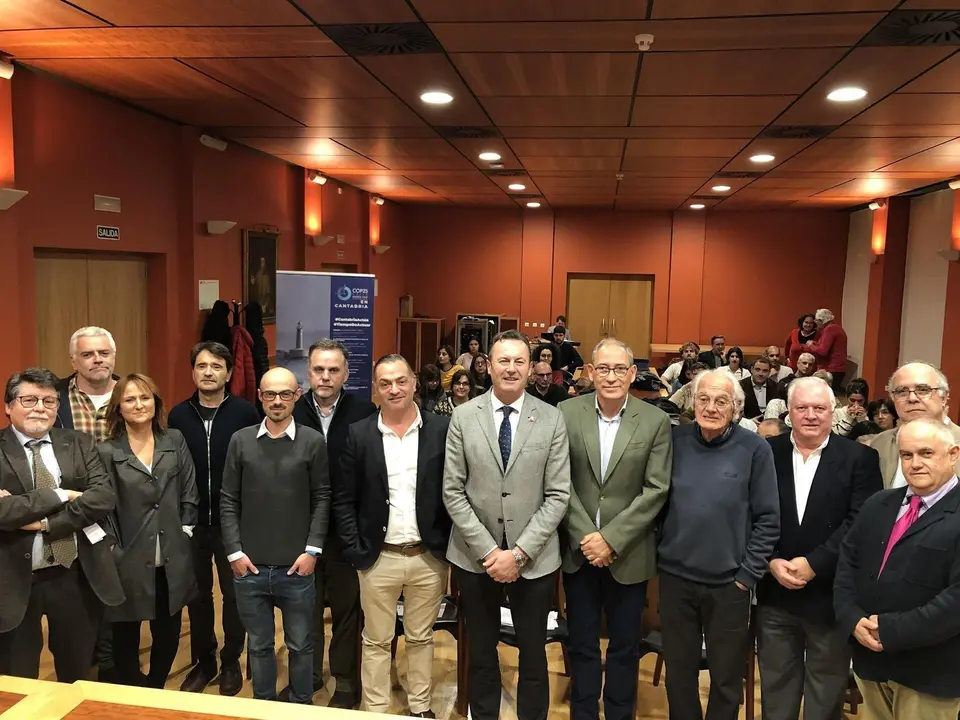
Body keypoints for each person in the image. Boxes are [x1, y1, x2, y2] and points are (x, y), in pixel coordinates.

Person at [443, 329, 571, 720]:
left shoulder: (551, 418)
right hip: (474, 557)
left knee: (533, 654)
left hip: (532, 559)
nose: (511, 368)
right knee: (481, 652)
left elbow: (558, 495)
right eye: (503, 360)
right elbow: (453, 491)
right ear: (489, 365)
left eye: (519, 361)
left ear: (531, 368)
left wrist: (517, 553)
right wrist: (489, 550)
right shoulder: (463, 416)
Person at [756, 377, 882, 720]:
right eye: (802, 408)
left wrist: (815, 563)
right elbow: (749, 514)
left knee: (825, 697)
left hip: (831, 596)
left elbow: (861, 522)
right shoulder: (766, 452)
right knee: (776, 691)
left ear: (832, 411)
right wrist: (770, 562)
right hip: (775, 594)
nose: (810, 415)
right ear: (789, 413)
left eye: (819, 408)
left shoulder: (861, 458)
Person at [658, 368, 780, 720]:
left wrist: (747, 576)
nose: (710, 407)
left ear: (737, 409)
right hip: (675, 579)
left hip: (730, 585)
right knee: (678, 675)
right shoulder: (674, 440)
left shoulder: (756, 449)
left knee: (726, 677)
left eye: (721, 401)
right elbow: (654, 501)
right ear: (692, 402)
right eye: (703, 399)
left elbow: (769, 519)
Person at [559, 339, 672, 720]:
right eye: (602, 369)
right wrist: (587, 537)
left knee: (625, 647)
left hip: (629, 554)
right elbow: (559, 482)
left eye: (619, 369)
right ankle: (584, 713)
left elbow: (656, 489)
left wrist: (610, 539)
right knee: (583, 643)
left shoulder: (654, 420)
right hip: (579, 552)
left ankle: (621, 714)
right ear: (590, 372)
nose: (610, 376)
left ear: (631, 374)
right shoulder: (565, 412)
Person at [335, 355, 452, 716]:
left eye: (401, 381)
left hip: (427, 557)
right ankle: (375, 708)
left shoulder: (443, 429)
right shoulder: (359, 433)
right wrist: (357, 551)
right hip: (377, 557)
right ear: (375, 388)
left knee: (421, 638)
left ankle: (420, 708)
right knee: (375, 641)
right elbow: (344, 500)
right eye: (385, 383)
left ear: (415, 382)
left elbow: (456, 493)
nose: (394, 389)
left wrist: (446, 547)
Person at [0, 368, 124, 682]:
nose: (40, 408)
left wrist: (44, 523)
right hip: (15, 577)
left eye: (49, 401)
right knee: (17, 677)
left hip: (74, 573)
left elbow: (102, 497)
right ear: (8, 406)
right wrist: (61, 493)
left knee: (78, 672)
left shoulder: (79, 442)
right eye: (29, 400)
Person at [835, 418, 960, 720]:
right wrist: (852, 618)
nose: (915, 463)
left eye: (926, 453)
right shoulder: (879, 503)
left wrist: (889, 631)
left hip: (929, 672)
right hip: (872, 663)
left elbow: (956, 602)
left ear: (953, 455)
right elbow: (847, 566)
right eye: (907, 455)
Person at [220, 367, 330, 704]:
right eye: (270, 394)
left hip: (297, 568)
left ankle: (301, 705)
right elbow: (228, 499)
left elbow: (322, 497)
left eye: (285, 394)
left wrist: (312, 551)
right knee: (259, 646)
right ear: (260, 397)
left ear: (297, 395)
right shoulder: (241, 440)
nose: (277, 401)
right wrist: (235, 553)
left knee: (300, 644)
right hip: (249, 568)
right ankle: (263, 706)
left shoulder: (313, 441)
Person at [168, 342, 260, 696]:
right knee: (197, 595)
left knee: (235, 595)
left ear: (228, 372)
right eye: (202, 365)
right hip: (190, 521)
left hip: (233, 523)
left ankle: (231, 659)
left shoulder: (246, 414)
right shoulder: (178, 415)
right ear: (193, 372)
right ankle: (204, 661)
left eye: (216, 366)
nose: (209, 372)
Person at [99, 373, 199, 688]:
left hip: (172, 553)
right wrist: (113, 548)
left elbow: (189, 491)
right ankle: (132, 686)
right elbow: (102, 506)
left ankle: (157, 685)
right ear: (118, 408)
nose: (139, 405)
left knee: (167, 628)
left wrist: (185, 530)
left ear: (156, 403)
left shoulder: (175, 440)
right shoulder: (106, 451)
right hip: (128, 556)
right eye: (130, 399)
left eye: (145, 398)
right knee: (125, 631)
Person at [291, 339, 376, 707]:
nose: (325, 377)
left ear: (346, 374)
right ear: (308, 372)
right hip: (299, 529)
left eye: (333, 370)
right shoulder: (290, 410)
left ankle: (344, 680)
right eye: (318, 370)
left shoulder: (364, 411)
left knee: (346, 612)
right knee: (304, 611)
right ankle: (306, 677)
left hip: (347, 531)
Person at [870, 362, 960, 488]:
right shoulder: (879, 443)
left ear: (944, 397)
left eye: (923, 390)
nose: (912, 398)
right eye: (902, 392)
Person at [56, 326, 119, 443]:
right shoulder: (53, 397)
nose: (98, 359)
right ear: (73, 362)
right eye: (87, 355)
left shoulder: (133, 394)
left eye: (104, 353)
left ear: (113, 357)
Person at [809, 309, 848, 392]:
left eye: (817, 321)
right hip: (837, 369)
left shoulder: (830, 329)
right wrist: (816, 344)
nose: (816, 324)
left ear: (821, 321)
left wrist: (811, 345)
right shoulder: (836, 328)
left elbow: (823, 351)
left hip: (832, 369)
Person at [741, 356, 779, 421]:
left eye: (765, 371)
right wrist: (748, 422)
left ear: (769, 372)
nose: (761, 374)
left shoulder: (776, 387)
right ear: (752, 369)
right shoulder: (741, 386)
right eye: (757, 369)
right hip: (747, 426)